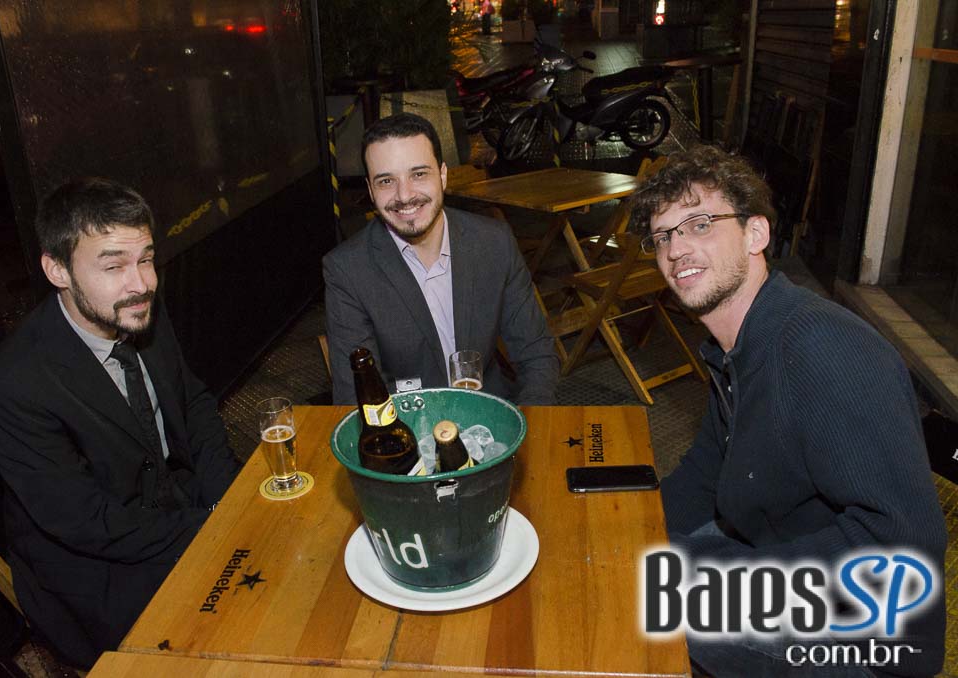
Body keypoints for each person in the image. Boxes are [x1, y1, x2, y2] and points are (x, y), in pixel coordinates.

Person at [629, 145, 946, 677]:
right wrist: (624, 533)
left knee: (649, 601)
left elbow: (900, 541)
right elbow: (705, 475)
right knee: (626, 568)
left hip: (863, 638)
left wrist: (697, 571)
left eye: (700, 224)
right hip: (778, 552)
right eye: (663, 236)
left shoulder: (823, 350)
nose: (676, 248)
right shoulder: (737, 349)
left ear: (756, 234)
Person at [0, 178, 241, 669]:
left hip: (176, 506)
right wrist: (212, 529)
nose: (140, 283)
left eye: (146, 259)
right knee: (230, 641)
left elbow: (195, 406)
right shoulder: (14, 386)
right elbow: (85, 521)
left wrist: (228, 502)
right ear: (57, 270)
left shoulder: (136, 308)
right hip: (100, 569)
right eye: (113, 265)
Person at [323, 112, 558, 405]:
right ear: (370, 190)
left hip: (489, 414)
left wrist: (531, 422)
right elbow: (355, 395)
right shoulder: (347, 269)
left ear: (443, 175)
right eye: (386, 181)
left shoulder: (494, 241)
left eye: (419, 174)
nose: (404, 195)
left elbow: (536, 354)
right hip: (408, 422)